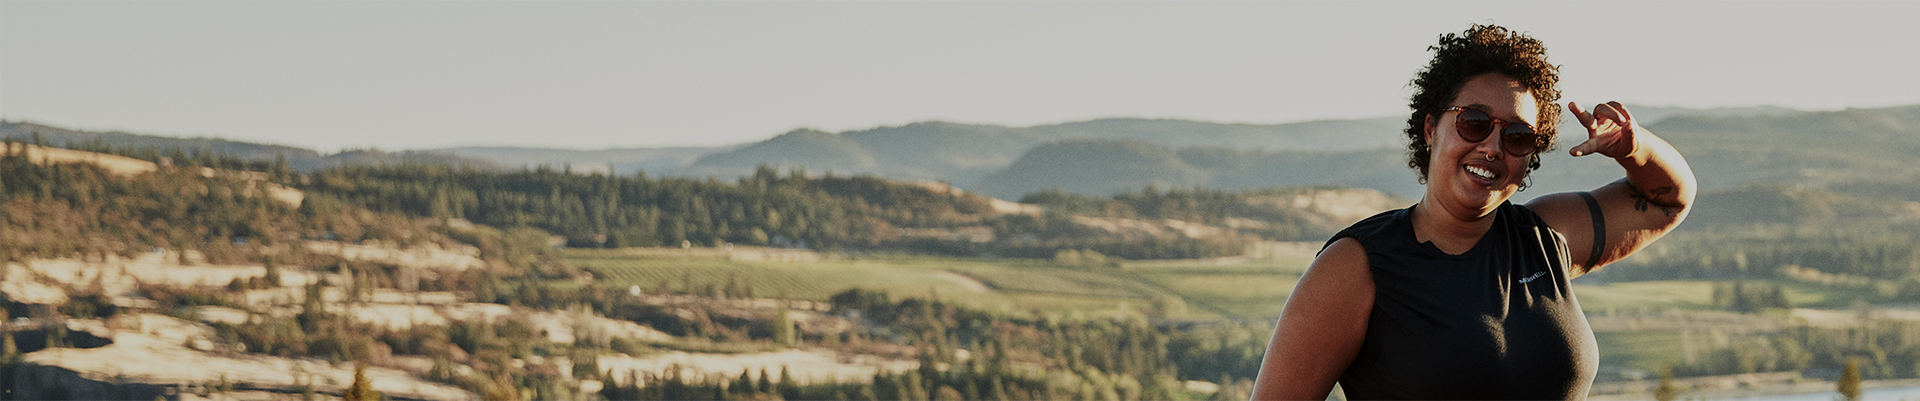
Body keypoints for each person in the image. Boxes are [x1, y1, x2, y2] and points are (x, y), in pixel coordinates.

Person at [1248, 24, 1696, 400]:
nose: (1492, 147)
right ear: (1431, 127)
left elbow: (1669, 199)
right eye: (1474, 122)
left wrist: (1634, 150)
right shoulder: (1358, 266)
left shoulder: (1544, 241)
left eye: (1518, 136)